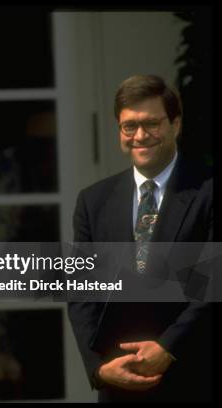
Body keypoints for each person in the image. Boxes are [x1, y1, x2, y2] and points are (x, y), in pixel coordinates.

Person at [68, 74, 213, 402]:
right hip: (119, 386)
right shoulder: (93, 201)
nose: (140, 136)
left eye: (151, 123)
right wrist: (99, 368)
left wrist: (168, 348)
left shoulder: (207, 191)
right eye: (128, 126)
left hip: (195, 379)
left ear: (175, 124)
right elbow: (82, 293)